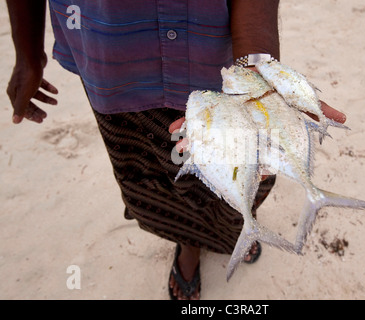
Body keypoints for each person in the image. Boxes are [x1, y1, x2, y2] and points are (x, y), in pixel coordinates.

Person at [6, 0, 346, 300]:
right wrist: (27, 51)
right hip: (115, 71)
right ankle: (189, 247)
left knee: (244, 173)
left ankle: (234, 231)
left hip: (219, 70)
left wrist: (256, 71)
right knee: (153, 182)